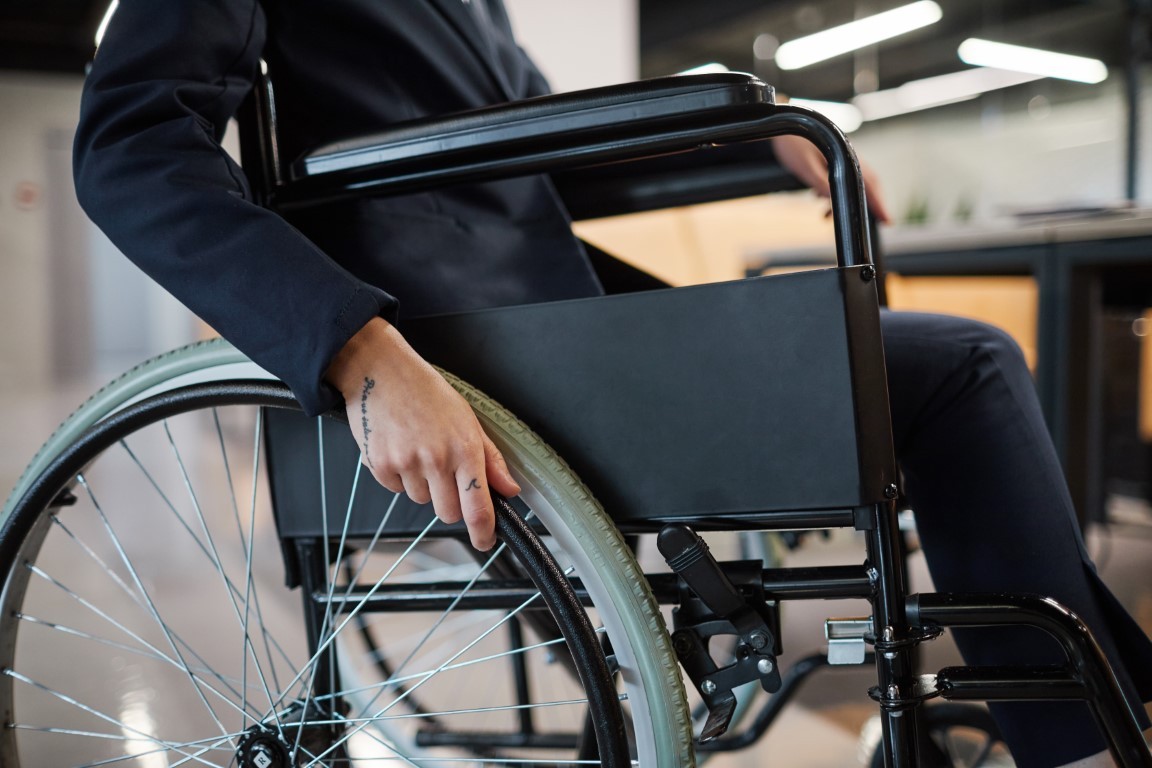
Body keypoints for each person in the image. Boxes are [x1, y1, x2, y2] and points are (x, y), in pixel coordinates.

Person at [72, 1, 1151, 765]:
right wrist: (362, 354)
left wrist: (747, 131)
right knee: (962, 365)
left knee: (925, 360)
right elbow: (128, 146)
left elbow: (549, 156)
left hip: (559, 322)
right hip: (474, 351)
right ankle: (1082, 742)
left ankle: (1090, 708)